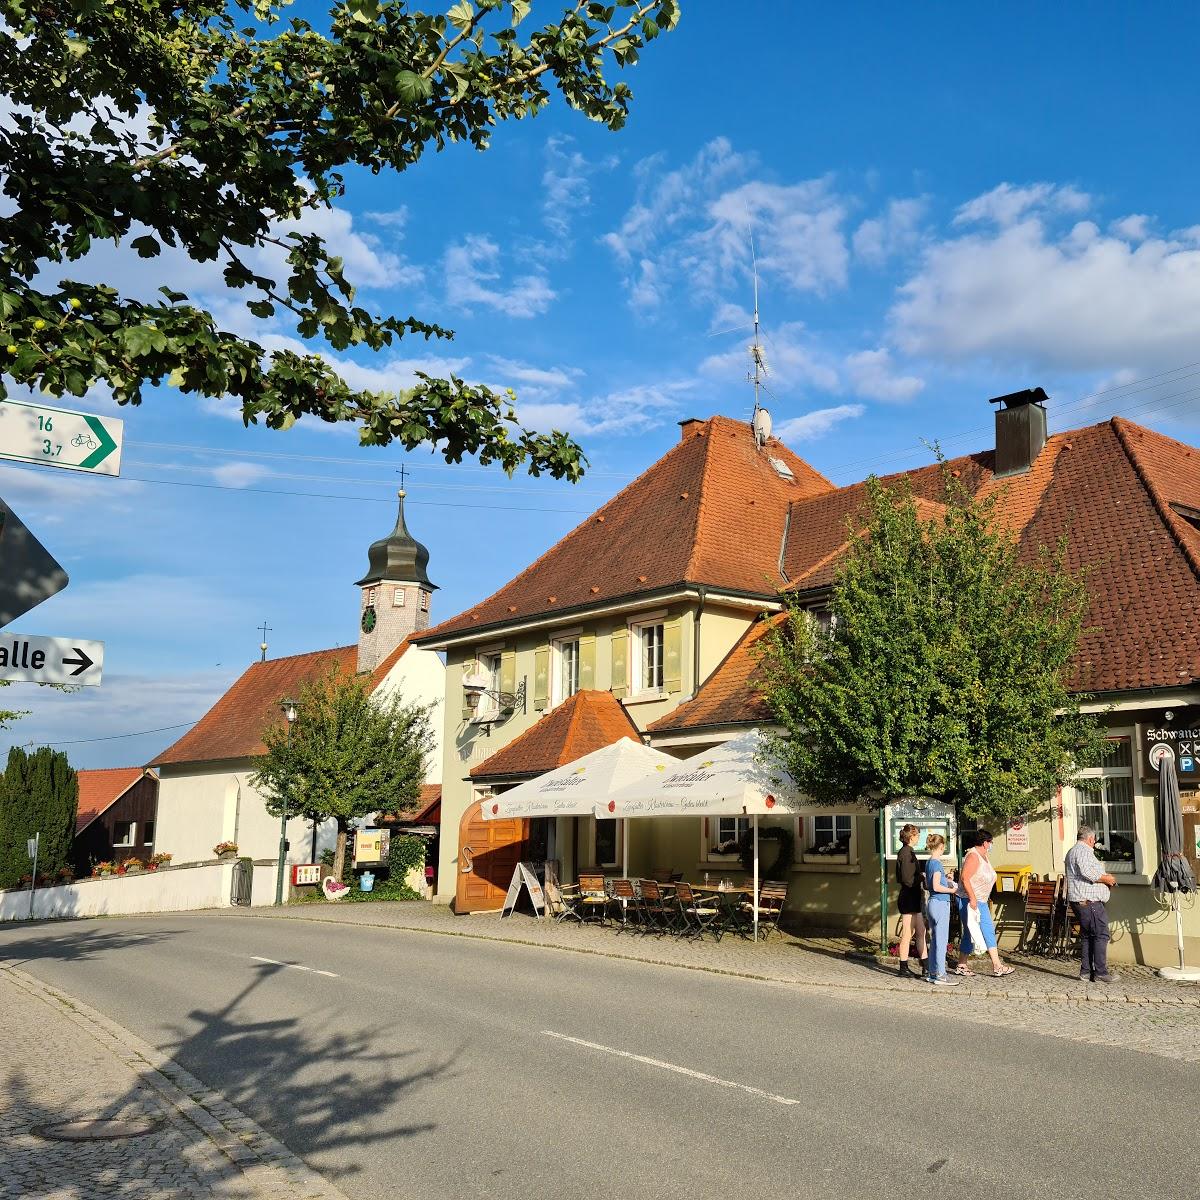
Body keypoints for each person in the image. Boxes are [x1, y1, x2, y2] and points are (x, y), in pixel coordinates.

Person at [954, 830, 1015, 978]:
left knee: (970, 932)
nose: (991, 845)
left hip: (980, 899)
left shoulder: (984, 856)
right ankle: (997, 965)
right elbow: (965, 878)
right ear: (985, 842)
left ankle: (962, 965)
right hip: (969, 900)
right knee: (986, 930)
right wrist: (973, 899)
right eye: (991, 842)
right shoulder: (973, 856)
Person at [1064, 824, 1119, 983]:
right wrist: (1106, 879)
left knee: (1088, 936)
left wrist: (1104, 878)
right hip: (1089, 902)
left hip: (1082, 901)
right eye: (1093, 839)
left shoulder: (1074, 851)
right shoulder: (1082, 851)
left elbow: (1087, 872)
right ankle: (1101, 973)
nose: (1094, 842)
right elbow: (1088, 873)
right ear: (1090, 839)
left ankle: (1086, 973)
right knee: (1101, 935)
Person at [923, 833, 959, 986]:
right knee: (941, 941)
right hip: (940, 904)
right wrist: (952, 890)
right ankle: (941, 975)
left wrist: (947, 880)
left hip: (931, 902)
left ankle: (932, 972)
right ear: (941, 847)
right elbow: (937, 886)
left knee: (935, 941)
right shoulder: (937, 863)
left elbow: (929, 884)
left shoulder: (929, 862)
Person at [895, 823, 927, 979]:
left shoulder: (908, 852)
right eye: (917, 835)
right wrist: (922, 877)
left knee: (921, 931)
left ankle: (926, 966)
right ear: (911, 836)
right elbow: (908, 879)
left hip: (913, 897)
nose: (918, 838)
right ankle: (903, 967)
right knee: (908, 933)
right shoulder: (906, 853)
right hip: (908, 897)